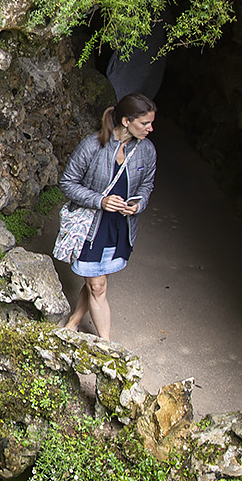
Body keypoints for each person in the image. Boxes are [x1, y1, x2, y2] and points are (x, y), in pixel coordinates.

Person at [59, 92, 158, 341]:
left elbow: (146, 186)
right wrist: (100, 201)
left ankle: (72, 322)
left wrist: (136, 205)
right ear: (126, 121)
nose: (151, 128)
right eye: (145, 123)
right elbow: (67, 183)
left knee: (96, 281)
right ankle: (106, 345)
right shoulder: (92, 146)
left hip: (119, 226)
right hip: (91, 228)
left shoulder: (146, 150)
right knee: (98, 285)